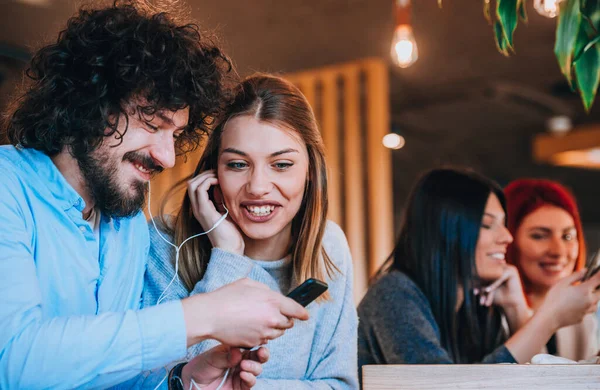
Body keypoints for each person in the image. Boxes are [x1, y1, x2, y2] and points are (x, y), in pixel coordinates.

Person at [0, 3, 308, 389]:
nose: (167, 156)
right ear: (89, 103)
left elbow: (115, 377)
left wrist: (185, 379)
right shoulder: (6, 187)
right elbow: (13, 361)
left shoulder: (127, 226)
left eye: (176, 134)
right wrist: (201, 315)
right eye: (152, 123)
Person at [143, 74, 359, 389]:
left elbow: (340, 386)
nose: (257, 187)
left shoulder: (329, 245)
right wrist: (227, 256)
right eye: (238, 165)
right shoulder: (164, 244)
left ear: (310, 171)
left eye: (282, 165)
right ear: (213, 171)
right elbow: (168, 383)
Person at [357, 168, 600, 374]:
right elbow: (445, 388)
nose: (506, 237)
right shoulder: (394, 294)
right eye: (487, 225)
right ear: (446, 232)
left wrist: (516, 308)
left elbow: (528, 383)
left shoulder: (477, 306)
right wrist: (549, 318)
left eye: (504, 225)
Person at [504, 178, 598, 360]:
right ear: (507, 240)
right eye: (539, 236)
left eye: (568, 236)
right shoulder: (490, 315)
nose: (558, 251)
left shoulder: (583, 319)